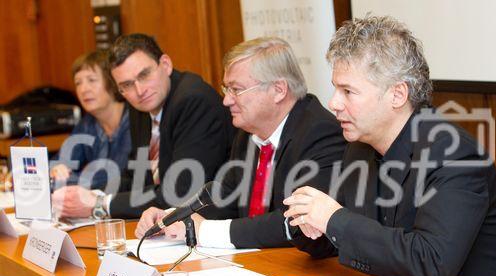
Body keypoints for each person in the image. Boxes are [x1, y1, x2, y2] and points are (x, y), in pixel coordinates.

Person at [283, 16, 496, 276]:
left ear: (397, 95)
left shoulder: (457, 156)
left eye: (348, 91)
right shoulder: (360, 148)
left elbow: (431, 263)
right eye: (336, 88)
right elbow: (348, 238)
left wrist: (333, 220)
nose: (333, 103)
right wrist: (307, 223)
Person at [135, 37, 346, 249]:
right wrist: (174, 217)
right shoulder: (247, 133)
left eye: (236, 89)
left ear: (279, 90)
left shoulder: (320, 133)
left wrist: (204, 231)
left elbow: (296, 221)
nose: (226, 100)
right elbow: (225, 199)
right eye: (226, 89)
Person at [52, 33, 234, 219]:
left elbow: (180, 193)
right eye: (127, 85)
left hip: (215, 222)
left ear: (165, 65)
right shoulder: (141, 105)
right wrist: (90, 195)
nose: (139, 91)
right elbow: (136, 177)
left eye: (144, 75)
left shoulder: (193, 101)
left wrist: (100, 204)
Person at [50, 50, 131, 189]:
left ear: (112, 81)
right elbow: (59, 162)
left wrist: (70, 181)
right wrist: (56, 169)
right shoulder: (87, 123)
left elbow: (115, 175)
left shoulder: (135, 118)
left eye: (91, 80)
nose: (83, 89)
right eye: (78, 83)